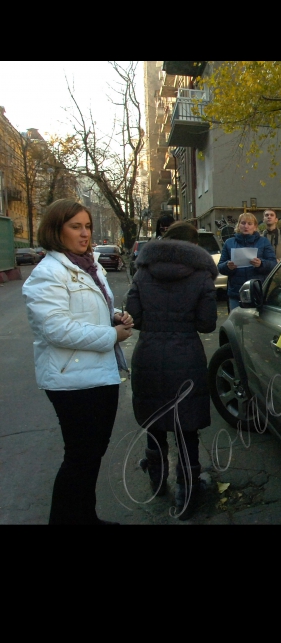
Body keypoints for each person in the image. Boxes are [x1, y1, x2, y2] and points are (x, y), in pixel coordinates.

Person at [22, 199, 134, 525]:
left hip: (99, 374)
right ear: (56, 231)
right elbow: (57, 329)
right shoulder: (48, 273)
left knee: (91, 455)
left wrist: (113, 315)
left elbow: (85, 311)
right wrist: (112, 335)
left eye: (87, 226)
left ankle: (86, 517)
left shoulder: (89, 265)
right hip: (72, 380)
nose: (85, 233)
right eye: (76, 226)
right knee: (80, 458)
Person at [126, 220, 218, 520]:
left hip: (149, 355)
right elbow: (207, 323)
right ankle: (187, 492)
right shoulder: (202, 275)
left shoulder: (142, 272)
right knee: (186, 429)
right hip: (186, 357)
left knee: (155, 423)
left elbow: (135, 318)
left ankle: (157, 479)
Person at [219, 212, 277, 311]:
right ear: (238, 225)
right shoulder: (229, 243)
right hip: (236, 293)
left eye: (250, 224)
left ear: (255, 227)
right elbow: (220, 267)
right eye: (243, 223)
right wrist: (227, 266)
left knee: (255, 323)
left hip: (257, 291)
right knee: (236, 324)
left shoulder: (263, 242)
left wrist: (261, 264)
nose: (246, 226)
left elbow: (273, 264)